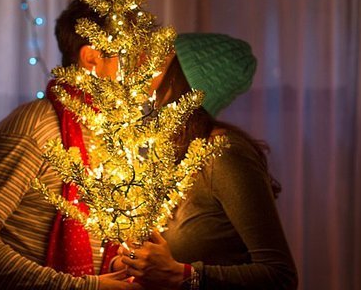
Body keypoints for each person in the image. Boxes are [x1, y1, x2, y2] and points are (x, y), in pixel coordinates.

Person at [0, 0, 141, 290]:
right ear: (92, 57)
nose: (139, 68)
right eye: (128, 54)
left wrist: (115, 263)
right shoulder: (34, 127)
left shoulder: (112, 133)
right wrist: (82, 288)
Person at [117, 33, 298, 289]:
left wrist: (182, 275)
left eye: (160, 62)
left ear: (184, 84)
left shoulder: (224, 154)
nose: (145, 67)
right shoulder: (169, 152)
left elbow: (281, 276)